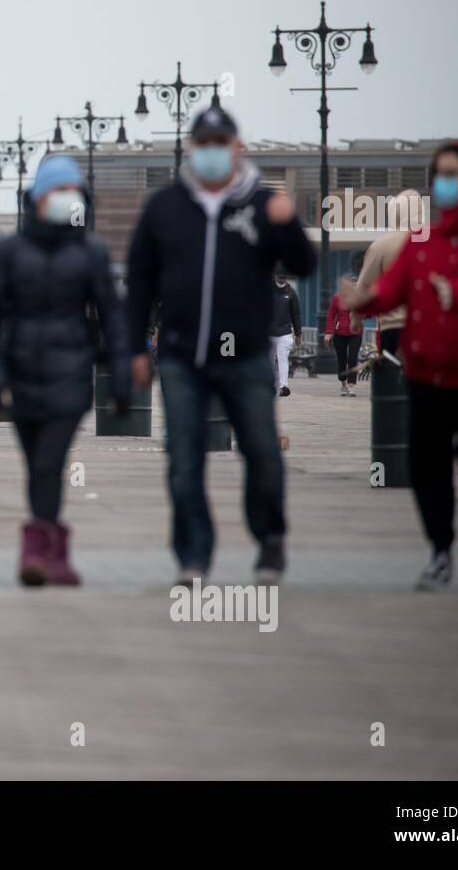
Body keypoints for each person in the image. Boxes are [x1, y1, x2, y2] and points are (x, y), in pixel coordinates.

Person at [126, 107, 316, 586]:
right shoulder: (165, 207)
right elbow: (141, 283)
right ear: (192, 148)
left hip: (247, 356)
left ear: (238, 147)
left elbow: (305, 263)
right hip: (181, 357)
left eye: (221, 141)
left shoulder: (261, 204)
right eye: (203, 142)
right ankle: (193, 558)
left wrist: (288, 223)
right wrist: (132, 349)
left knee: (261, 451)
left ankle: (269, 539)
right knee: (184, 459)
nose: (212, 150)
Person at [343, 140, 458, 590]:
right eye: (437, 175)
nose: (443, 183)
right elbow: (392, 291)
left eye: (453, 175)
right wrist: (365, 300)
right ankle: (440, 551)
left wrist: (456, 293)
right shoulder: (423, 242)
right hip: (426, 370)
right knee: (428, 464)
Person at [0, 155, 129, 587]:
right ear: (37, 198)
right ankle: (56, 553)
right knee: (37, 466)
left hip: (70, 373)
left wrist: (121, 378)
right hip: (21, 375)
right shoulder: (9, 252)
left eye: (72, 192)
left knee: (49, 461)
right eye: (56, 192)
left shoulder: (91, 252)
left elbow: (112, 317)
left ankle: (34, 549)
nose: (65, 200)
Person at [356, 188, 423, 355]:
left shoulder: (381, 246)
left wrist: (355, 318)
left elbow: (363, 287)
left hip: (392, 327)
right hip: (426, 325)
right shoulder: (434, 243)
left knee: (391, 377)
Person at [326, 275, 364, 396]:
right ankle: (343, 382)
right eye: (352, 284)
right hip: (340, 333)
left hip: (355, 332)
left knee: (353, 357)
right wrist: (328, 332)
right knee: (342, 359)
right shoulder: (337, 298)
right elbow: (331, 315)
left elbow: (367, 313)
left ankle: (352, 385)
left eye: (356, 284)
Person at [268, 269, 301, 396]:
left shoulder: (291, 293)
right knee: (269, 360)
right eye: (280, 278)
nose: (282, 280)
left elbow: (296, 314)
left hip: (285, 332)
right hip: (269, 332)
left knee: (283, 359)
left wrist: (298, 334)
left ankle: (284, 386)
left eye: (284, 278)